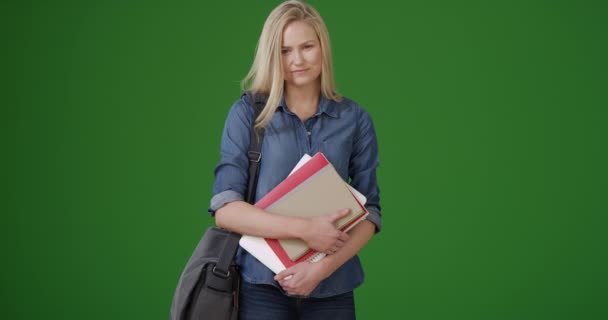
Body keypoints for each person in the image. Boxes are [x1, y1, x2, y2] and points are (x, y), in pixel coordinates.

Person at [208, 1, 381, 319]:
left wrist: (322, 270)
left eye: (307, 47)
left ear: (323, 48)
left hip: (333, 288)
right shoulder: (248, 114)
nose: (297, 60)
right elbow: (225, 210)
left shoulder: (355, 119)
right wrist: (305, 229)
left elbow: (370, 214)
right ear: (273, 55)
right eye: (285, 50)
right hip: (259, 287)